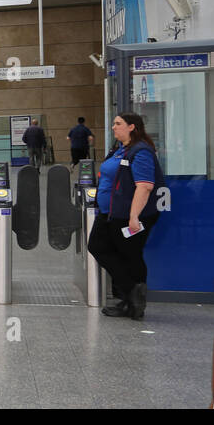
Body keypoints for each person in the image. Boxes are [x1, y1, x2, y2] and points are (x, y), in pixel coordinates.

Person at [87, 112, 164, 320]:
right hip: (111, 213)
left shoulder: (141, 152)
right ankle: (132, 295)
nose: (114, 127)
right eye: (113, 123)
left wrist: (134, 216)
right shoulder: (120, 150)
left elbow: (145, 186)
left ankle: (132, 299)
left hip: (127, 216)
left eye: (118, 124)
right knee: (100, 247)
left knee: (129, 255)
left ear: (132, 127)